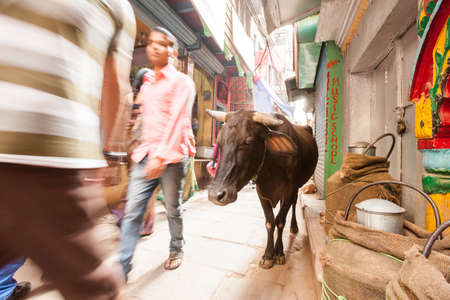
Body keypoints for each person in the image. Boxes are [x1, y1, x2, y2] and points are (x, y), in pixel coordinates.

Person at [0, 1, 136, 299]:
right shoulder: (116, 7)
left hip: (46, 160)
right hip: (50, 161)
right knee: (96, 288)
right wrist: (112, 155)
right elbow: (117, 88)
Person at [119, 26, 196, 278]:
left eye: (161, 43)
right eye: (150, 42)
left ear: (172, 51)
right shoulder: (147, 84)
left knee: (173, 208)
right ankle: (122, 267)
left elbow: (177, 120)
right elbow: (141, 120)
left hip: (171, 158)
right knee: (132, 214)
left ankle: (176, 248)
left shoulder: (182, 82)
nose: (153, 47)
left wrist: (161, 157)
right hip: (144, 156)